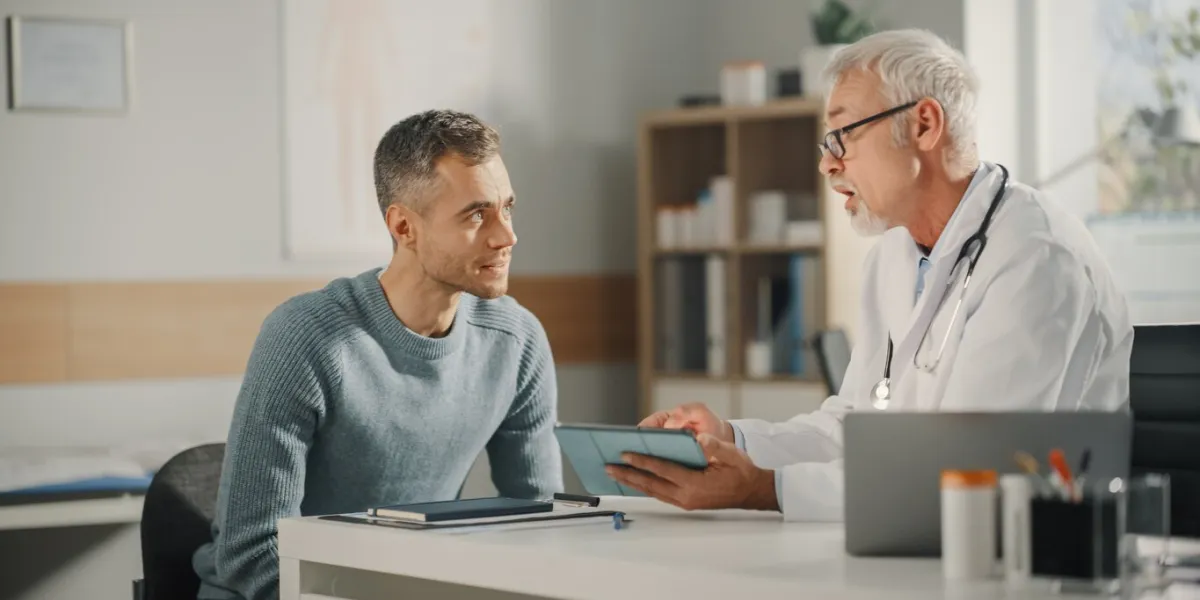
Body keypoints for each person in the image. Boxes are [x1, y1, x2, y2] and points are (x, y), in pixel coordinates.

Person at [608, 29, 1133, 521]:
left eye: (844, 134)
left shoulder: (1038, 259)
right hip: (917, 547)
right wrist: (731, 442)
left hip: (1040, 559)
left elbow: (974, 472)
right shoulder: (895, 256)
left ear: (925, 125)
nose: (828, 165)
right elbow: (855, 427)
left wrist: (763, 488)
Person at [193, 110, 563, 599]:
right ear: (404, 226)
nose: (506, 235)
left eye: (507, 208)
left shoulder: (517, 341)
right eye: (477, 214)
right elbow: (253, 553)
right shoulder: (305, 337)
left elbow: (540, 521)